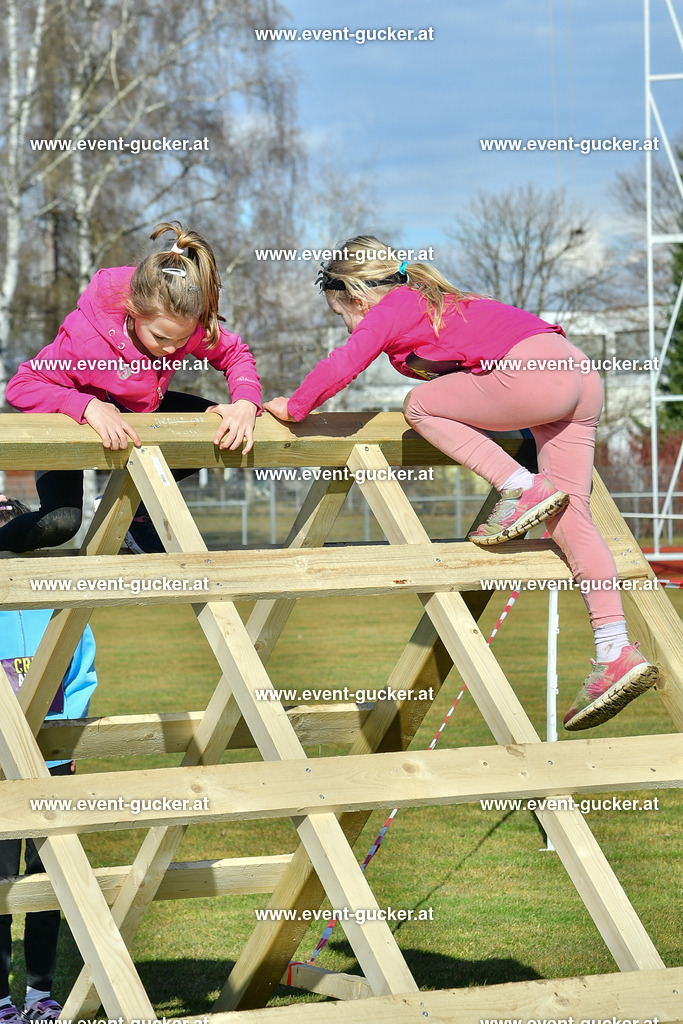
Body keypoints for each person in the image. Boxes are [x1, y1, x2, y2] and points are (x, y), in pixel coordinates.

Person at [264, 236, 660, 732]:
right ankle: (614, 650)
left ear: (355, 295)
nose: (348, 322)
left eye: (340, 312)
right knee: (571, 517)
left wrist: (294, 407)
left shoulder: (393, 307)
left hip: (536, 381)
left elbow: (346, 362)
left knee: (419, 405)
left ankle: (519, 484)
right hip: (579, 375)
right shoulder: (443, 302)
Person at [2, 223, 261, 554]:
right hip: (67, 416)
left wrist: (245, 403)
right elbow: (21, 385)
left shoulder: (187, 324)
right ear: (134, 311)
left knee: (217, 429)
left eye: (182, 341)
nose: (172, 350)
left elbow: (234, 354)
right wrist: (84, 405)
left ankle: (133, 512)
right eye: (161, 338)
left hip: (136, 411)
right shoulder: (88, 340)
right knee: (60, 524)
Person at [0, 497, 98, 1023]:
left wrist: (66, 740)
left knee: (46, 881)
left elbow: (82, 667)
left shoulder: (57, 599)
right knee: (0, 885)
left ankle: (39, 992)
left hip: (51, 761)